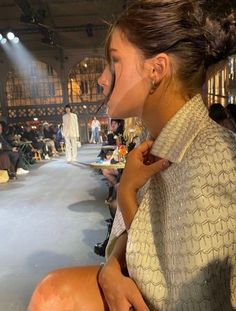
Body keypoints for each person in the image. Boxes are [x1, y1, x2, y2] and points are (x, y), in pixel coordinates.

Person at [28, 1, 236, 310]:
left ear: (157, 69)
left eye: (115, 61)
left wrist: (126, 191)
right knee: (51, 292)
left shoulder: (213, 158)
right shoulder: (154, 140)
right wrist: (112, 265)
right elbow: (152, 248)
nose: (101, 78)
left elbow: (187, 298)